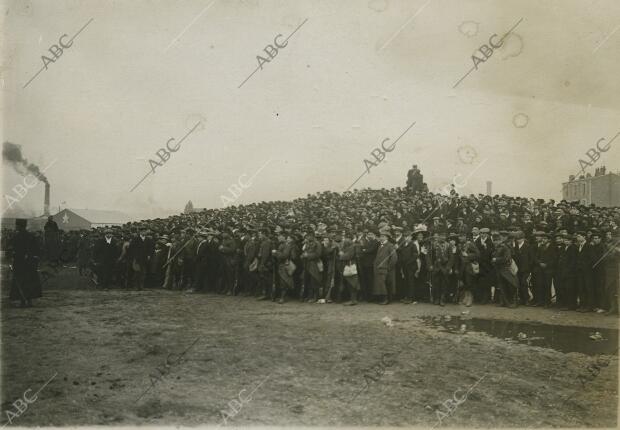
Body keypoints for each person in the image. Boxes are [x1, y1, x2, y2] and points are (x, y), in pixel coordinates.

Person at [9, 219, 42, 307]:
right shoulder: (31, 236)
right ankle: (29, 300)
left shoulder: (16, 236)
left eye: (17, 225)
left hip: (20, 263)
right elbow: (37, 250)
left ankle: (22, 301)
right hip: (29, 263)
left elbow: (13, 250)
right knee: (30, 281)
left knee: (20, 281)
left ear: (19, 226)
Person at [491, 232, 518, 307]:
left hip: (506, 269)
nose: (495, 242)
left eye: (497, 240)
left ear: (500, 240)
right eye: (494, 240)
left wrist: (496, 260)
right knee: (501, 286)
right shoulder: (497, 248)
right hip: (499, 269)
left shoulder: (505, 247)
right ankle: (504, 302)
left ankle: (513, 302)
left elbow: (507, 258)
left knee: (511, 285)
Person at [373, 230, 398, 305]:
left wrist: (388, 267)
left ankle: (386, 299)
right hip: (379, 269)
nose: (381, 238)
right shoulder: (380, 245)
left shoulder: (390, 246)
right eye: (380, 236)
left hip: (385, 269)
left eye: (383, 236)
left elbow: (394, 258)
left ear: (387, 238)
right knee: (380, 284)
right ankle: (382, 298)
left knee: (385, 284)